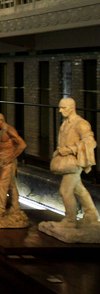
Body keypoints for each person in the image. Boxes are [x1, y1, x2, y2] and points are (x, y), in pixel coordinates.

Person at [43, 98, 99, 229]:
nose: (60, 111)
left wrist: (70, 149)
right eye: (60, 107)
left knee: (65, 190)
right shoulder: (66, 123)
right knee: (79, 189)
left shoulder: (81, 123)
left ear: (72, 108)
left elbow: (91, 142)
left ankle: (70, 221)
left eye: (63, 108)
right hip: (67, 161)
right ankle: (91, 215)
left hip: (73, 162)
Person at [0, 113, 26, 218]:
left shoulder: (9, 130)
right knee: (11, 185)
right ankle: (15, 207)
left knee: (2, 185)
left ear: (1, 120)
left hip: (7, 162)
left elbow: (22, 144)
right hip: (0, 161)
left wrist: (11, 157)